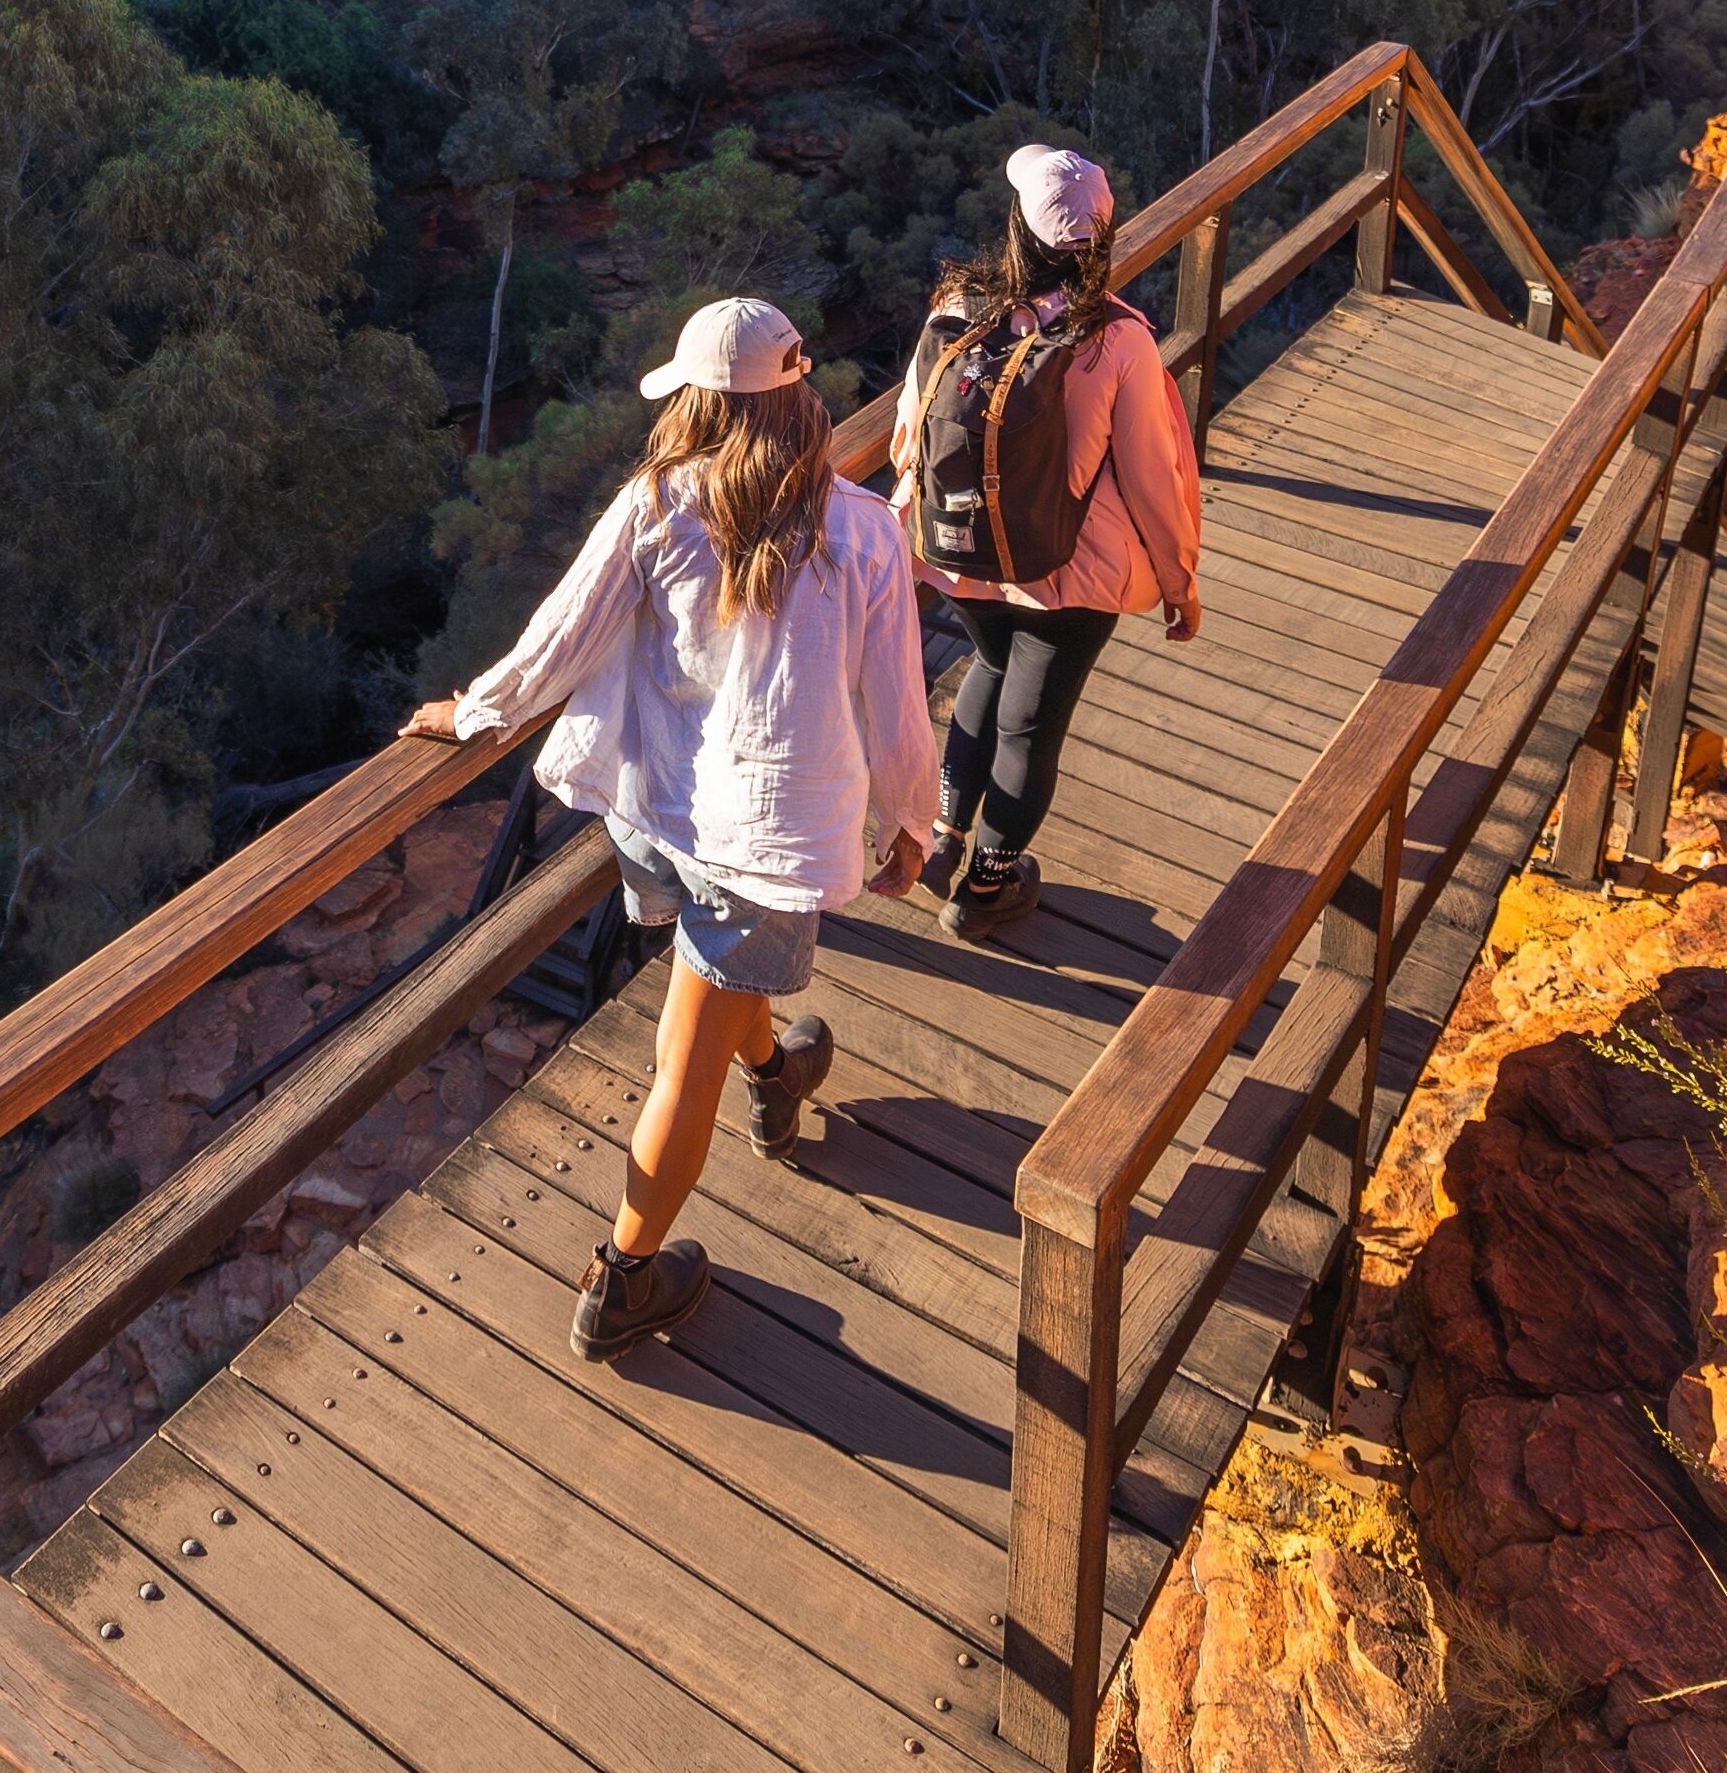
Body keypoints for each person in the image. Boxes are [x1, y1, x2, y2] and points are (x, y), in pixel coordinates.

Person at [405, 295, 932, 1360]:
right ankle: (625, 1279)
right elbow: (896, 699)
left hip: (655, 815)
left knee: (710, 989)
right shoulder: (863, 529)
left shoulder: (657, 501)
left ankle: (777, 1072)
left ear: (698, 403)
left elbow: (564, 632)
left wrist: (477, 712)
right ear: (798, 399)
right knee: (680, 1059)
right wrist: (909, 822)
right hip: (765, 842)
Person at [890, 143, 1204, 945]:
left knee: (990, 669)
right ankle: (986, 890)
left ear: (1017, 229)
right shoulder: (1117, 340)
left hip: (959, 553)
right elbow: (1151, 478)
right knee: (1033, 729)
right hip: (1069, 571)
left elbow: (909, 437)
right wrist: (1179, 581)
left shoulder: (956, 308)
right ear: (1099, 241)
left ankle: (946, 836)